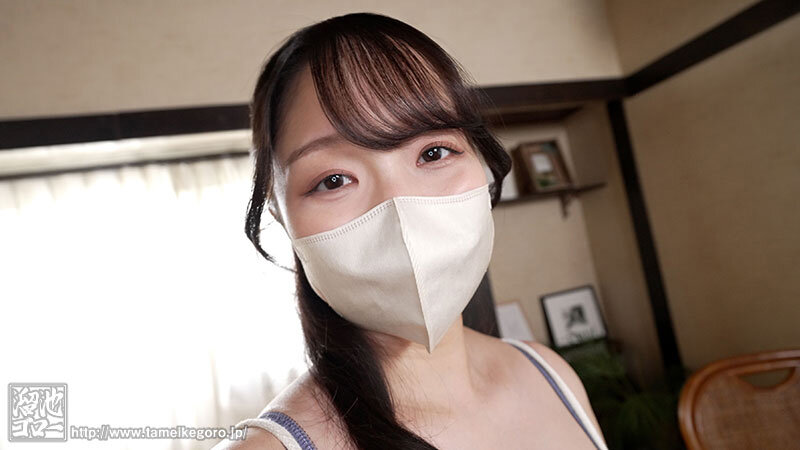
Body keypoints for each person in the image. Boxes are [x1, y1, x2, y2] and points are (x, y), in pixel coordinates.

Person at [216, 12, 608, 450]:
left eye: (434, 152)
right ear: (279, 214)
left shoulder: (550, 373)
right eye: (333, 180)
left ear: (483, 165)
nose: (399, 207)